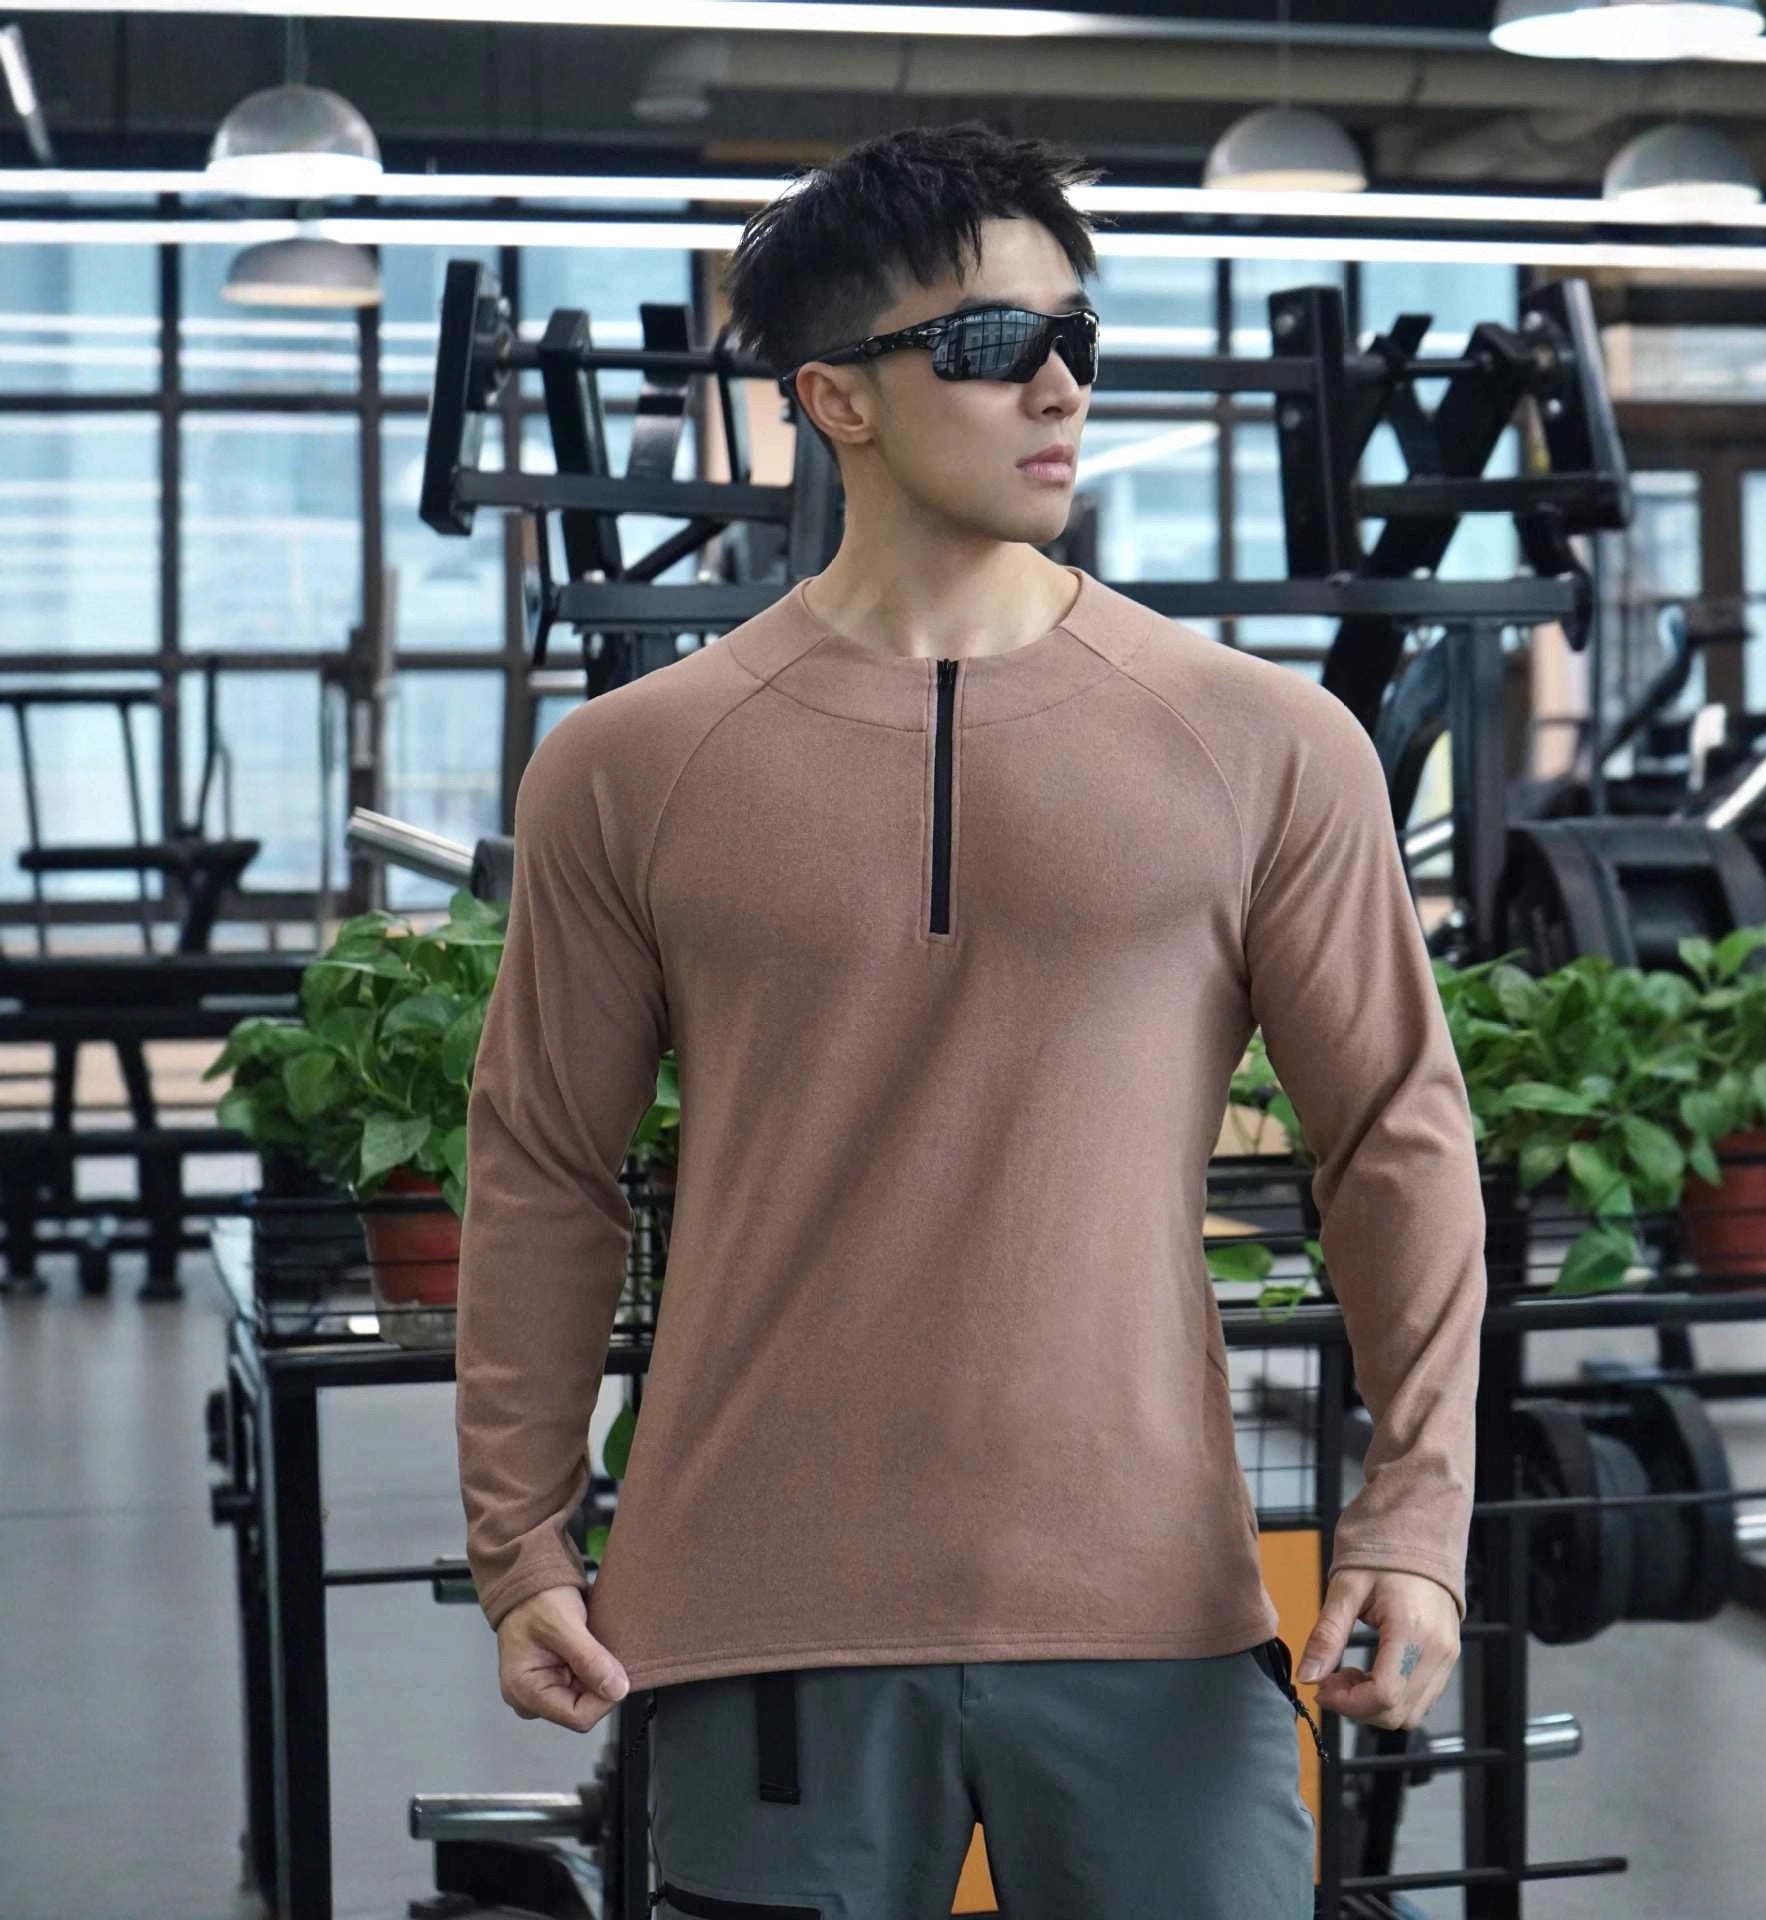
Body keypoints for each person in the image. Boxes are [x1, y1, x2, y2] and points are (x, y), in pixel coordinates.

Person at [455, 119, 1486, 1920]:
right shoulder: (631, 766)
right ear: (834, 399)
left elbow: (1396, 1131)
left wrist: (1419, 1514)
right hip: (762, 1607)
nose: (1063, 384)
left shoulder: (1264, 743)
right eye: (998, 343)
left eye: (1078, 336)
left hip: (1153, 1605)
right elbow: (545, 1165)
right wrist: (518, 1539)